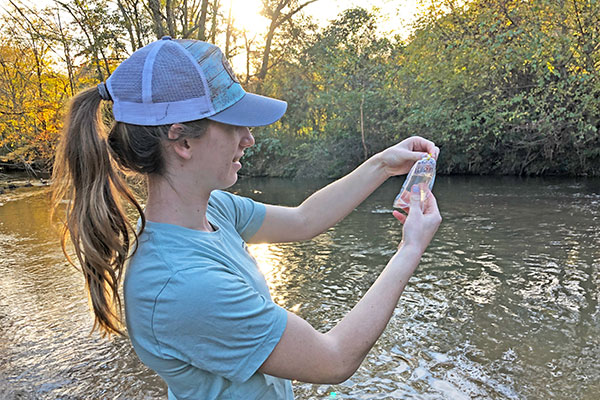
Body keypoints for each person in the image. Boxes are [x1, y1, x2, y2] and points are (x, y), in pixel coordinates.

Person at [52, 37, 441, 400]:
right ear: (182, 140)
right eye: (233, 123)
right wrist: (410, 248)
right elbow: (334, 359)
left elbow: (305, 220)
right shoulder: (180, 286)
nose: (249, 138)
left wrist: (382, 165)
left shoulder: (214, 209)